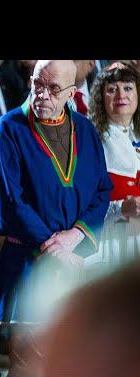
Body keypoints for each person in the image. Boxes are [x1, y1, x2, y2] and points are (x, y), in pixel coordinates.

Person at [0, 60, 112, 377]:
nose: (41, 94)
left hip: (76, 265)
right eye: (36, 84)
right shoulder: (9, 127)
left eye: (52, 88)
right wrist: (51, 244)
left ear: (72, 93)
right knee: (30, 375)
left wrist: (74, 236)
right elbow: (12, 202)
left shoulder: (86, 131)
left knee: (77, 373)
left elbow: (102, 190)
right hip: (29, 265)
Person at [87, 62, 140, 265]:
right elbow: (84, 207)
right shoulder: (91, 143)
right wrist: (121, 208)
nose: (121, 95)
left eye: (128, 88)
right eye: (111, 90)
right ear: (101, 99)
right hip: (111, 247)